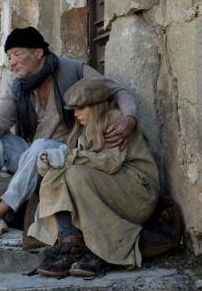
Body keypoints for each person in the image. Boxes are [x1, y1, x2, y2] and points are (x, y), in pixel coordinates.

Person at [0, 26, 139, 240]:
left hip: (68, 157)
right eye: (9, 56)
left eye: (18, 54)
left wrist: (129, 119)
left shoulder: (73, 70)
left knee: (39, 147)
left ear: (38, 53)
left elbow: (117, 90)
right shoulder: (17, 87)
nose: (12, 62)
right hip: (34, 158)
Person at [29, 78, 160, 277]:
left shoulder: (115, 119)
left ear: (96, 106)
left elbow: (110, 163)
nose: (76, 114)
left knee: (74, 173)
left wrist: (68, 157)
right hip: (116, 188)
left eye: (81, 108)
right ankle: (71, 243)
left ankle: (102, 250)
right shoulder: (86, 129)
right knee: (54, 173)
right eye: (73, 109)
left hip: (139, 193)